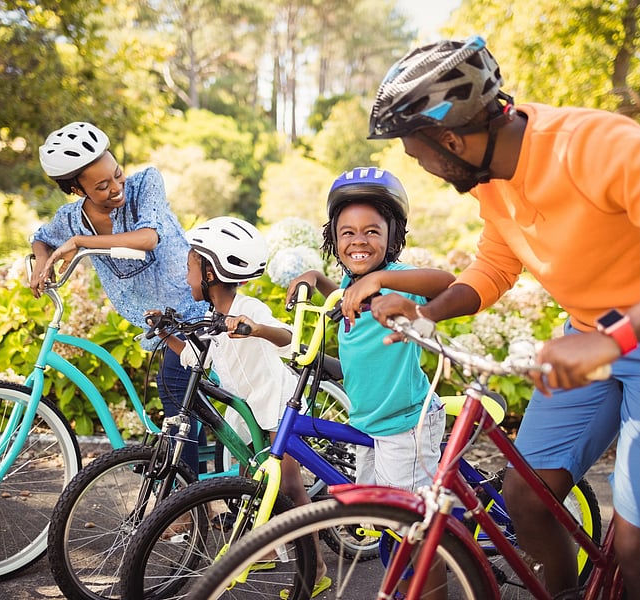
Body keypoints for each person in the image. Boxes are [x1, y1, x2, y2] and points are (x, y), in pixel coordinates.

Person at [363, 35, 640, 599]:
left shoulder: (601, 147)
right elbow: (494, 263)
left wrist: (613, 339)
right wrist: (428, 312)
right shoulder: (491, 180)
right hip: (587, 340)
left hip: (617, 340)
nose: (425, 168)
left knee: (635, 548)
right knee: (525, 497)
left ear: (451, 138)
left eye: (420, 155)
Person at [286, 167, 455, 598]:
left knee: (415, 529)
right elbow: (344, 295)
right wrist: (315, 279)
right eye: (347, 232)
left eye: (371, 231)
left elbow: (445, 283)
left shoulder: (401, 282)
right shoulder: (350, 283)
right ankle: (402, 579)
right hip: (370, 427)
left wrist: (383, 278)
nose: (358, 240)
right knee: (382, 516)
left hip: (405, 426)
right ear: (333, 238)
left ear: (392, 235)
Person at [148, 216, 331, 597]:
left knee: (292, 489)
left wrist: (254, 328)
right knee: (254, 484)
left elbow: (286, 338)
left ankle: (317, 572)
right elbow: (200, 360)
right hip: (247, 415)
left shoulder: (250, 306)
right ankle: (265, 547)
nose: (186, 277)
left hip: (276, 408)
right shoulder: (213, 319)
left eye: (190, 268)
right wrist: (167, 333)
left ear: (211, 273)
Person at [29, 121, 209, 473]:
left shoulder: (145, 184)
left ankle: (189, 501)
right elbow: (42, 237)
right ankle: (200, 489)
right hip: (163, 323)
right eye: (101, 186)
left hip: (197, 305)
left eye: (116, 174)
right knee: (183, 398)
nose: (116, 188)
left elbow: (148, 238)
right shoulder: (71, 219)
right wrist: (40, 262)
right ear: (76, 189)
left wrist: (81, 243)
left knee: (174, 387)